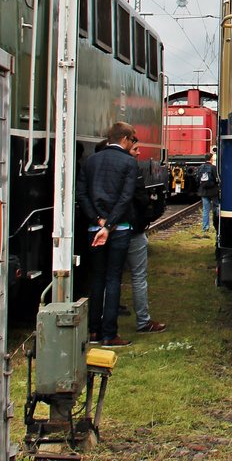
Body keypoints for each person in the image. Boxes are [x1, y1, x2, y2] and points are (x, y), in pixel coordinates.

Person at [76, 122, 138, 347]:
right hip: (119, 229)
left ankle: (93, 331)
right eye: (133, 140)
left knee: (97, 279)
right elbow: (125, 197)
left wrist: (98, 221)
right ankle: (109, 334)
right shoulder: (129, 162)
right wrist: (110, 224)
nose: (133, 143)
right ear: (124, 139)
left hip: (94, 228)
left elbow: (82, 195)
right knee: (113, 279)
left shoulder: (91, 161)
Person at [126, 141, 167, 334]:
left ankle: (99, 326)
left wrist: (102, 221)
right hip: (132, 228)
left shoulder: (94, 162)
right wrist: (148, 213)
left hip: (108, 228)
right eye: (135, 149)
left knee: (109, 276)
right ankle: (143, 321)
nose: (139, 152)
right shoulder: (131, 167)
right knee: (139, 276)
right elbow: (139, 198)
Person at [198, 149, 219, 235]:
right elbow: (217, 179)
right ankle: (216, 225)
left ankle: (205, 228)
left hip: (204, 192)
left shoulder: (200, 168)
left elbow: (197, 179)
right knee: (216, 209)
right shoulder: (214, 168)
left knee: (205, 210)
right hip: (213, 192)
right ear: (211, 159)